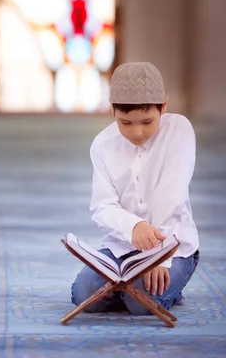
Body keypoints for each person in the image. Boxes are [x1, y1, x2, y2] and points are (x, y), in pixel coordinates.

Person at [70, 62, 200, 315]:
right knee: (83, 294)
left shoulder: (179, 131)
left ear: (163, 106)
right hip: (121, 248)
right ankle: (129, 286)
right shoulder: (103, 145)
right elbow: (102, 205)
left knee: (140, 301)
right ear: (112, 110)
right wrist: (133, 226)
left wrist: (158, 256)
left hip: (173, 248)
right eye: (126, 122)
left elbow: (170, 195)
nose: (137, 132)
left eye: (147, 121)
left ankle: (149, 289)